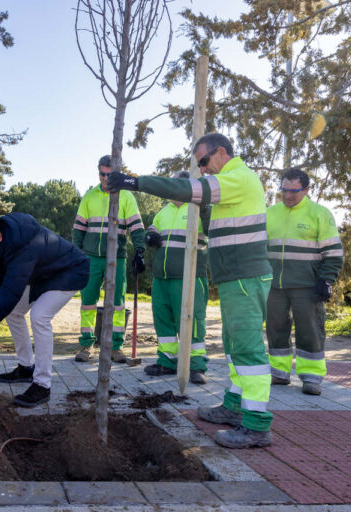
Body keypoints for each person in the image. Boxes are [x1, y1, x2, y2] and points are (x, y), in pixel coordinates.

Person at [107, 133, 274, 449]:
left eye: (203, 161)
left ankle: (256, 426)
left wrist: (134, 182)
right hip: (234, 278)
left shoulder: (239, 178)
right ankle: (235, 407)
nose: (202, 169)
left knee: (249, 350)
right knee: (235, 347)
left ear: (221, 152)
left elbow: (187, 190)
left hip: (244, 277)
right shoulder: (232, 181)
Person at [0, 213, 90, 407]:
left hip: (71, 271)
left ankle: (42, 385)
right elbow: (0, 272)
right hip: (44, 274)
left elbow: (6, 298)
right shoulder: (6, 238)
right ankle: (26, 368)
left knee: (39, 316)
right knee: (14, 313)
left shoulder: (25, 247)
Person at [266, 168, 343, 396]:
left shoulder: (320, 213)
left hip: (308, 285)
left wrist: (327, 280)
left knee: (310, 329)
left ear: (306, 190)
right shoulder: (269, 213)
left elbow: (333, 252)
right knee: (275, 328)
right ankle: (279, 372)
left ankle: (311, 376)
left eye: (294, 191)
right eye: (284, 190)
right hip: (273, 284)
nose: (288, 196)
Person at [72, 155, 146, 364]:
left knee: (118, 304)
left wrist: (140, 250)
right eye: (102, 174)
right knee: (88, 302)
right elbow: (78, 229)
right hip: (90, 258)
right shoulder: (90, 196)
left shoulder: (126, 197)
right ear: (99, 174)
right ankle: (86, 345)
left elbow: (137, 227)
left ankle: (116, 347)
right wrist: (75, 255)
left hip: (117, 258)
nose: (105, 178)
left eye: (109, 175)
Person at [145, 171, 211, 385]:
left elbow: (212, 232)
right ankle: (167, 361)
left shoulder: (199, 210)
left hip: (189, 277)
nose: (173, 190)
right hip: (161, 277)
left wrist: (206, 206)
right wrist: (149, 236)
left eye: (178, 185)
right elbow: (152, 230)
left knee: (192, 321)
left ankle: (196, 366)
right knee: (163, 320)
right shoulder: (163, 212)